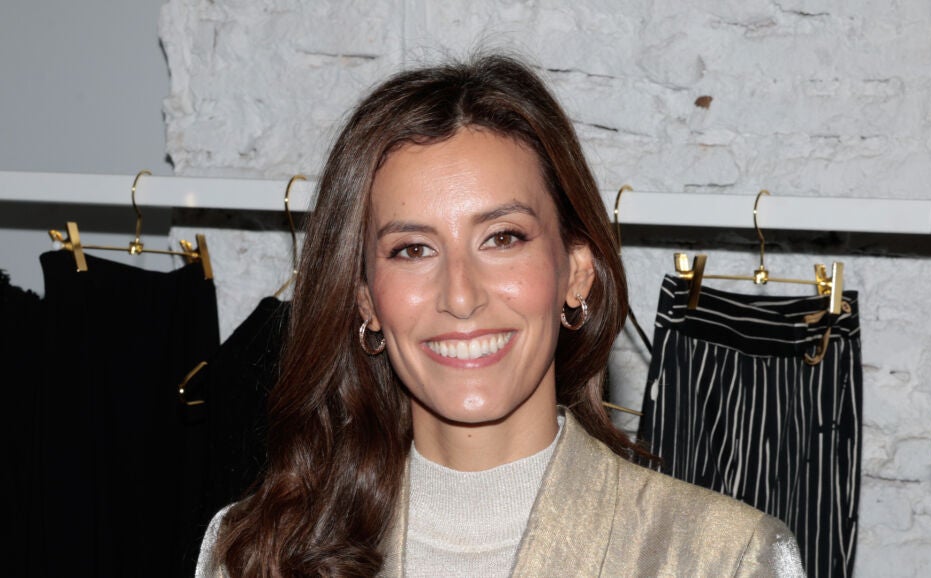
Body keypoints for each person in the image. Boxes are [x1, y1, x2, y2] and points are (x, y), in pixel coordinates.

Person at [196, 53, 805, 577]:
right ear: (365, 300)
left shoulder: (724, 558)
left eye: (503, 238)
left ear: (576, 272)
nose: (461, 297)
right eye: (413, 250)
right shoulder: (255, 554)